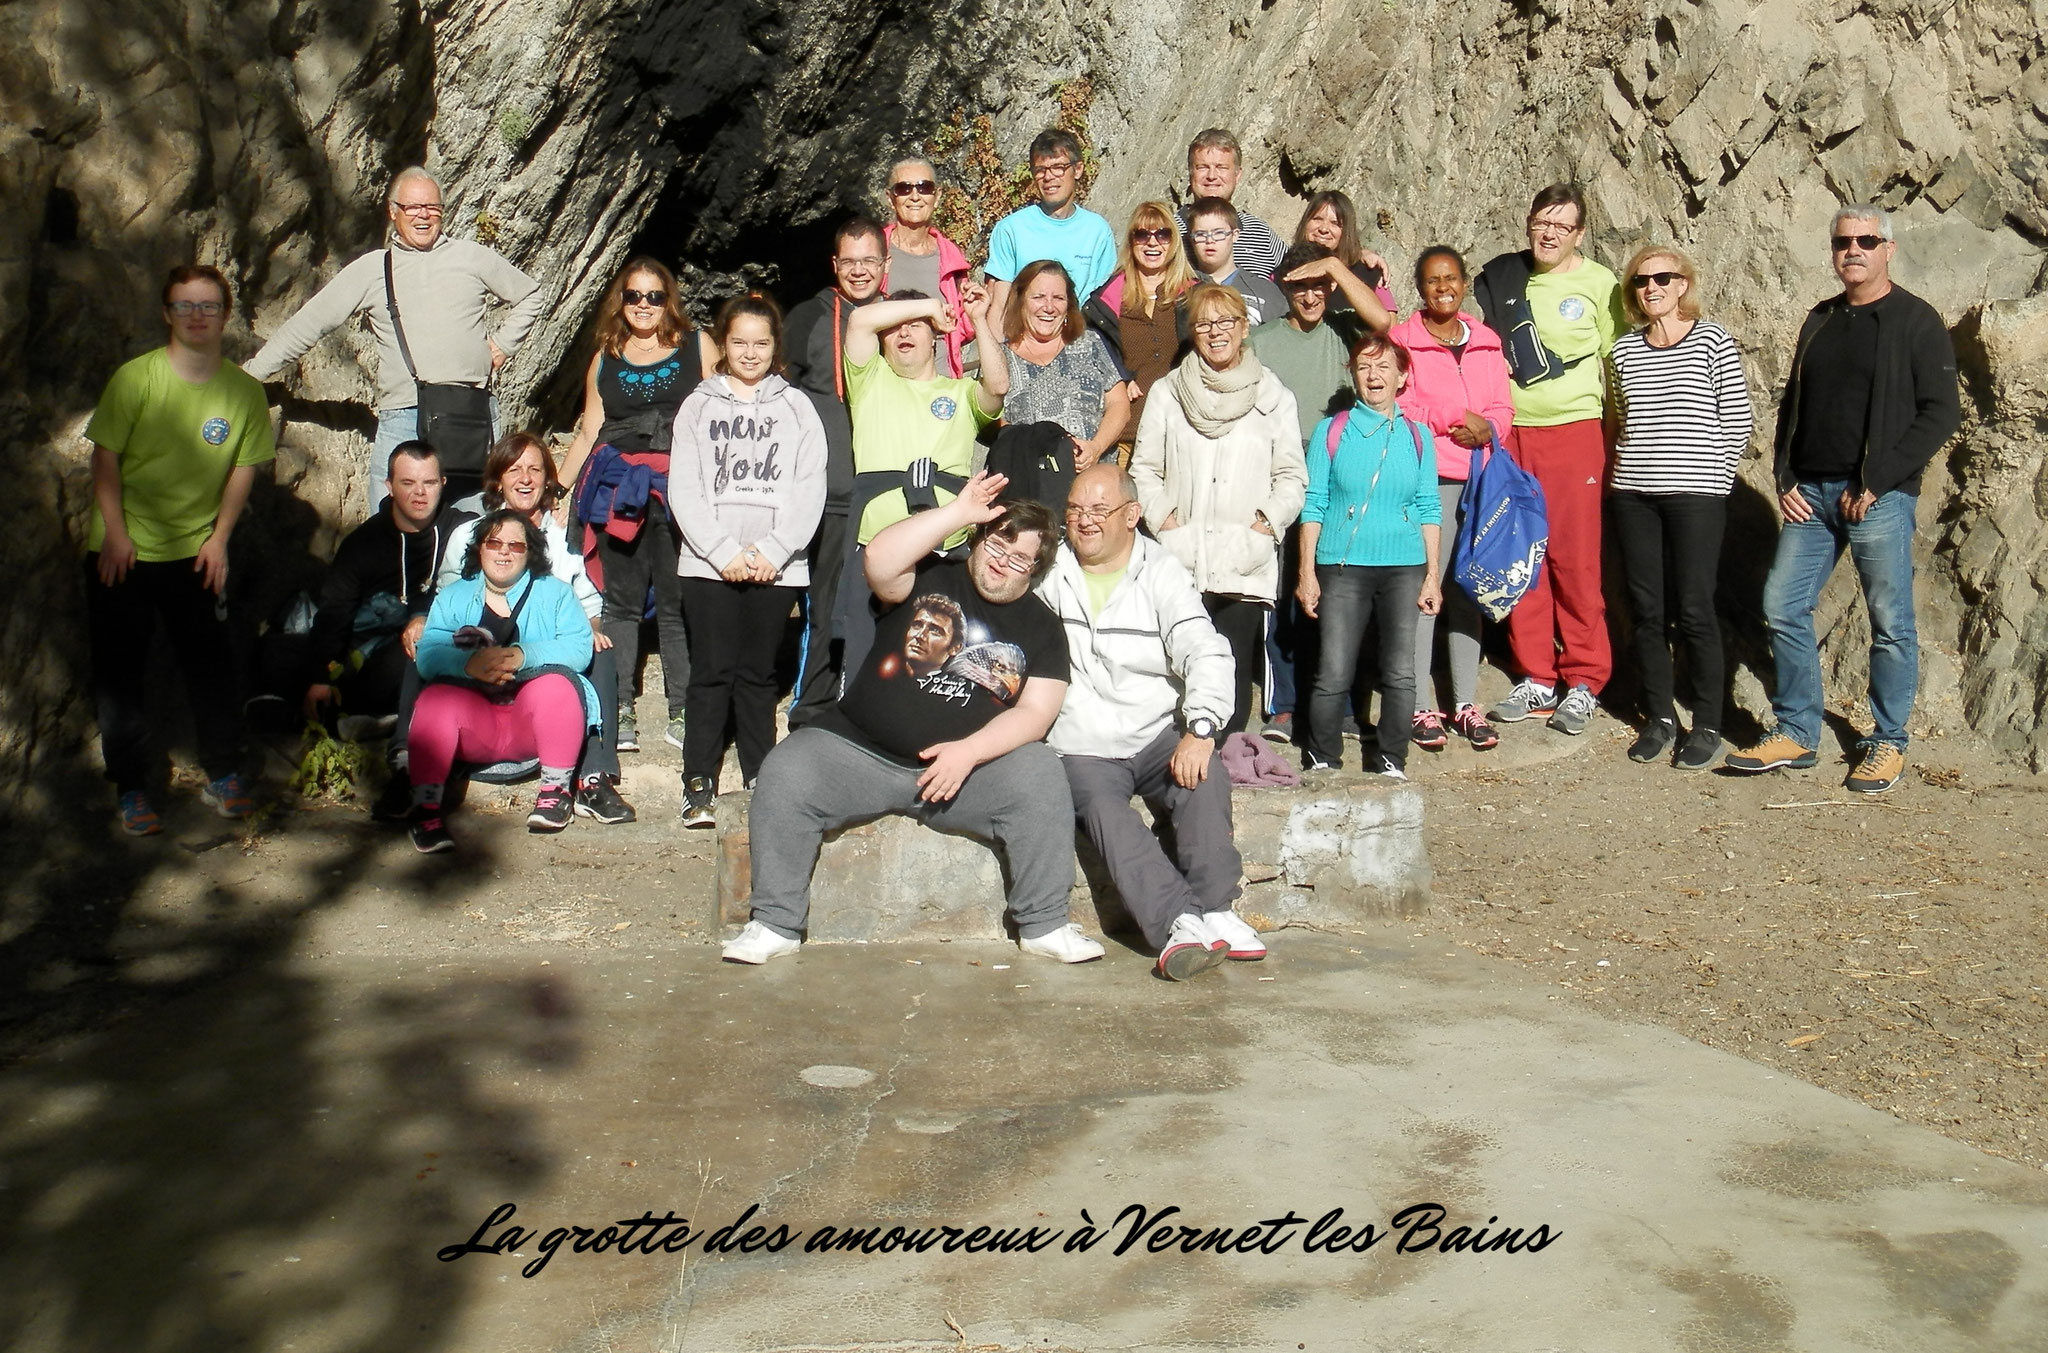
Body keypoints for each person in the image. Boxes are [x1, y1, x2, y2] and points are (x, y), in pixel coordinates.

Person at [722, 475, 1102, 966]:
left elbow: (1036, 713)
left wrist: (969, 753)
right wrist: (960, 513)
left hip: (965, 777)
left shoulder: (1043, 629)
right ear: (979, 538)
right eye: (995, 545)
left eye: (1019, 559)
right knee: (788, 769)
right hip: (860, 752)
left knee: (1040, 772)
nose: (1000, 562)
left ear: (1035, 570)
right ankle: (774, 923)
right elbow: (878, 559)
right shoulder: (931, 574)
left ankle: (1045, 924)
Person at [1725, 206, 1960, 794]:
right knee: (1782, 606)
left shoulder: (1914, 320)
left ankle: (1887, 741)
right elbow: (1794, 408)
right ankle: (1797, 732)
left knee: (1890, 620)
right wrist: (1784, 479)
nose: (1852, 250)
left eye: (1865, 241)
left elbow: (1940, 413)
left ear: (1889, 248)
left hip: (1875, 498)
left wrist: (1878, 480)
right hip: (1812, 497)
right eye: (1842, 242)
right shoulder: (1821, 319)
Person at [1042, 465, 1262, 979]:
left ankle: (1216, 910)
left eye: (1099, 510)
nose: (1084, 521)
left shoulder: (1161, 570)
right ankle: (1177, 924)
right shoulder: (1048, 570)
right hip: (1082, 740)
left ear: (1131, 515)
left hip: (1152, 731)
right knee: (1101, 808)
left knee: (1202, 779)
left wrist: (1202, 728)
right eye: (1074, 510)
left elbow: (1205, 650)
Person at [85, 264, 275, 835]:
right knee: (121, 674)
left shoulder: (242, 391)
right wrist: (116, 535)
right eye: (185, 305)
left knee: (211, 667)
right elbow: (105, 458)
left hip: (196, 554)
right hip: (124, 552)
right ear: (167, 314)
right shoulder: (135, 379)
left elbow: (244, 467)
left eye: (209, 305)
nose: (197, 316)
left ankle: (223, 774)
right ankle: (132, 786)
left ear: (225, 315)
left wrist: (219, 540)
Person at [245, 167, 545, 507]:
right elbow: (311, 322)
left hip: (470, 414)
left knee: (468, 526)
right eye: (412, 208)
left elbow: (531, 295)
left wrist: (504, 344)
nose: (423, 216)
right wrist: (252, 374)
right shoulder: (373, 269)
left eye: (432, 208)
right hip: (404, 414)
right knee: (386, 529)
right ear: (393, 211)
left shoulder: (472, 257)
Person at [669, 294, 827, 826]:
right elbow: (684, 487)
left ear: (775, 346)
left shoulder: (796, 407)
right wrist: (722, 553)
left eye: (761, 343)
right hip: (708, 565)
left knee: (759, 675)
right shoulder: (698, 404)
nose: (751, 352)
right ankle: (699, 781)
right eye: (739, 342)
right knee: (711, 672)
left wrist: (773, 552)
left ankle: (762, 775)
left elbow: (810, 487)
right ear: (723, 343)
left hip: (773, 567)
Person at [1474, 184, 1625, 735]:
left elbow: (1618, 366)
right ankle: (1536, 674)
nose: (1548, 233)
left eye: (1561, 226)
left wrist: (1610, 440)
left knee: (1576, 560)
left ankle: (1584, 679)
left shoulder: (1599, 284)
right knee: (1523, 556)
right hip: (1515, 435)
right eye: (1541, 222)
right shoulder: (1505, 279)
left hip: (1574, 432)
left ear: (1579, 233)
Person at [1129, 283, 1307, 734]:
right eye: (1204, 324)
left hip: (1241, 557)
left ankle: (1222, 763)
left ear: (1244, 327)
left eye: (1226, 321)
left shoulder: (1273, 396)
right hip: (1179, 555)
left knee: (1229, 665)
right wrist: (1164, 521)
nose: (1215, 332)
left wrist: (1265, 525)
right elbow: (1144, 468)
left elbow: (1291, 476)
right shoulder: (1169, 393)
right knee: (1174, 663)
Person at [556, 257, 716, 756]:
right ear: (620, 301)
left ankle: (682, 708)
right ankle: (619, 703)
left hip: (679, 487)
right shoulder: (606, 356)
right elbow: (589, 430)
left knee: (675, 604)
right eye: (633, 296)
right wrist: (557, 492)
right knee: (621, 604)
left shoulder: (697, 346)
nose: (644, 305)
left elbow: (719, 417)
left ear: (669, 300)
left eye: (654, 295)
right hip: (618, 490)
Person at [1605, 246, 1754, 770]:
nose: (1653, 288)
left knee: (1695, 608)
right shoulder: (1623, 351)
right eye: (1643, 281)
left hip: (1697, 496)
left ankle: (1708, 722)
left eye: (1664, 278)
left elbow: (1737, 419)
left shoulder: (1712, 340)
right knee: (1647, 610)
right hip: (1635, 495)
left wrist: (1709, 480)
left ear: (1684, 284)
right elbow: (1621, 420)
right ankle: (1660, 717)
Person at [437, 433, 634, 823]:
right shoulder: (468, 535)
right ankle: (418, 767)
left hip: (550, 652)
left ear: (548, 479)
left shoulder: (565, 539)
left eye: (535, 469)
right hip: (483, 650)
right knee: (427, 649)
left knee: (600, 649)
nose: (525, 478)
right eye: (514, 470)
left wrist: (590, 627)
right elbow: (449, 598)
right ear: (498, 481)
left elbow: (591, 603)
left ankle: (594, 776)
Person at [836, 280, 1007, 680]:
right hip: (875, 546)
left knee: (936, 669)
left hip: (945, 551)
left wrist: (978, 320)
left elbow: (998, 386)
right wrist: (931, 305)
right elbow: (860, 320)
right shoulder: (870, 380)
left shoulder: (961, 391)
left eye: (917, 324)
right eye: (897, 325)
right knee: (866, 665)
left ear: (936, 337)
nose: (905, 332)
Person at [406, 511, 599, 851]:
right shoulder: (452, 597)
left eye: (515, 545)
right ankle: (425, 810)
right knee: (436, 698)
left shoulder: (555, 594)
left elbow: (579, 647)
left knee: (556, 684)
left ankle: (555, 792)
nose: (504, 552)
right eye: (494, 543)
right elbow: (428, 653)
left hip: (532, 723)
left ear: (530, 552)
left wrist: (525, 656)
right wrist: (469, 664)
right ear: (480, 549)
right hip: (475, 724)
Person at [1296, 336, 1442, 777]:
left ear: (1402, 377)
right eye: (1363, 367)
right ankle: (1323, 758)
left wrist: (1432, 575)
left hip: (1404, 564)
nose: (1374, 376)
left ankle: (1392, 760)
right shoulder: (1331, 431)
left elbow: (1429, 507)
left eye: (1384, 368)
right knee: (1334, 669)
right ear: (1352, 374)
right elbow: (1314, 503)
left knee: (1399, 671)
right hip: (1342, 566)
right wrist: (1306, 572)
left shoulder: (1418, 436)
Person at [1389, 245, 1516, 753]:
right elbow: (1398, 403)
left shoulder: (1486, 340)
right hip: (1430, 479)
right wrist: (1452, 420)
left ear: (1464, 284)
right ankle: (1421, 704)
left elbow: (1504, 407)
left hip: (1482, 479)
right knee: (1427, 589)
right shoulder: (1402, 340)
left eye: (1451, 279)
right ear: (1420, 289)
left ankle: (1465, 701)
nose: (1442, 288)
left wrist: (1489, 427)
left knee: (1468, 591)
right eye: (1432, 281)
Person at [1248, 240, 1368, 744]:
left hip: (1336, 475)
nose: (1311, 295)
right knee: (1279, 595)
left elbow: (1383, 324)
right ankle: (1284, 704)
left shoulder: (1345, 332)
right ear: (1283, 286)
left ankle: (1336, 701)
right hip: (1276, 476)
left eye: (1320, 284)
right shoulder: (1261, 340)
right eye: (1300, 284)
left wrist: (1335, 266)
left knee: (1334, 593)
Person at [783, 216, 887, 728]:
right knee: (823, 605)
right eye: (850, 261)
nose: (860, 271)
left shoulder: (899, 318)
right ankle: (813, 706)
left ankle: (872, 703)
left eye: (870, 261)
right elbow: (782, 393)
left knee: (880, 602)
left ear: (885, 265)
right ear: (835, 265)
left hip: (886, 487)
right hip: (828, 487)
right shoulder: (808, 315)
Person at [302, 440, 472, 736]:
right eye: (408, 483)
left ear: (443, 483)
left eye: (429, 482)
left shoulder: (464, 531)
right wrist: (321, 677)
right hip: (374, 655)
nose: (419, 493)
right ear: (389, 486)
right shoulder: (363, 544)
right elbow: (335, 612)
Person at [991, 260, 1130, 510]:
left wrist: (1095, 447)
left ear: (1069, 304)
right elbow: (989, 417)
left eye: (1058, 298)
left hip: (1093, 491)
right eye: (1039, 297)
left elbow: (1120, 404)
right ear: (1021, 300)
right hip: (1028, 493)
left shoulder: (1090, 344)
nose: (1049, 307)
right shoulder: (999, 358)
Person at [1082, 201, 1197, 450]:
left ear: (1174, 241)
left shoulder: (1197, 297)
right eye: (1142, 234)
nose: (1152, 243)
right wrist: (1117, 378)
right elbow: (1086, 362)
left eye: (1162, 234)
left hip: (1183, 435)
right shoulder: (1103, 304)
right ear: (1131, 241)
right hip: (1125, 436)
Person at [984, 129, 1118, 326]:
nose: (1048, 177)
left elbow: (1104, 303)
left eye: (1058, 167)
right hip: (1022, 345)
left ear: (1078, 169)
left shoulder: (1097, 231)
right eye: (1040, 170)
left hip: (1078, 342)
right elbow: (998, 307)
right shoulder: (1010, 230)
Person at [881, 157, 974, 378]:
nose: (915, 196)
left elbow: (963, 324)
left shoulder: (950, 255)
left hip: (941, 385)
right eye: (904, 188)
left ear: (937, 196)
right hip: (887, 386)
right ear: (890, 198)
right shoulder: (875, 251)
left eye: (924, 187)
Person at [1181, 128, 1283, 279]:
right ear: (1191, 174)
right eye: (1202, 167)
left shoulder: (1261, 234)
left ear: (1237, 174)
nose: (1211, 176)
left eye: (1221, 167)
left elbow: (1299, 273)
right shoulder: (1167, 232)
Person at [1292, 191, 1399, 336]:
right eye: (1317, 219)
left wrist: (1334, 266)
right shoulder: (1286, 270)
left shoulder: (1370, 274)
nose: (1323, 229)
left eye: (1335, 223)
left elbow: (1391, 332)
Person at [1185, 198, 1286, 328]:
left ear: (1235, 235)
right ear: (1190, 239)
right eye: (1200, 234)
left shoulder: (1264, 292)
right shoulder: (1181, 290)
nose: (1209, 240)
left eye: (1219, 233)